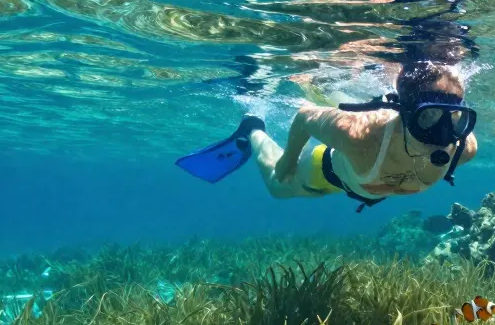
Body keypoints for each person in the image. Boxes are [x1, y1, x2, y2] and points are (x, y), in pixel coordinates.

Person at [177, 61, 478, 212]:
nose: (444, 134)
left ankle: (328, 91)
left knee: (342, 105)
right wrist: (289, 161)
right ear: (405, 112)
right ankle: (253, 127)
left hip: (359, 181)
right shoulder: (361, 138)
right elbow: (305, 117)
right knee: (276, 185)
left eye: (454, 118)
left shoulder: (464, 147)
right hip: (325, 172)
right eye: (429, 117)